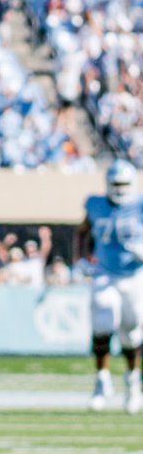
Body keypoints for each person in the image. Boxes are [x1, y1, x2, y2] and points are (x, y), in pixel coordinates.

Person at [79, 160, 143, 413]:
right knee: (104, 314)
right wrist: (81, 258)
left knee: (132, 331)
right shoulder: (96, 204)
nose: (118, 189)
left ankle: (132, 381)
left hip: (135, 274)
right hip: (105, 272)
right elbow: (82, 232)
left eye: (122, 184)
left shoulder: (139, 204)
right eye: (114, 184)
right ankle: (102, 379)